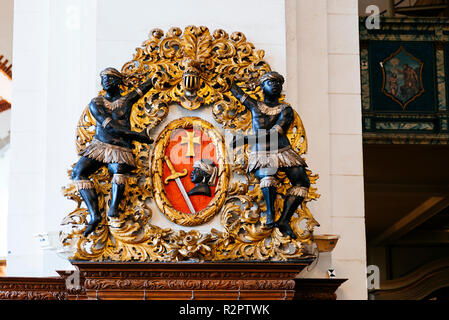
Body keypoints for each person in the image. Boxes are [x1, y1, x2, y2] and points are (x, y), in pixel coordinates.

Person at [71, 67, 154, 237]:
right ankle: (95, 214)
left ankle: (114, 209)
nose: (106, 81)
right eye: (103, 79)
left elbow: (143, 89)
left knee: (118, 169)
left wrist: (155, 78)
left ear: (118, 81)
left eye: (110, 78)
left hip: (120, 148)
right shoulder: (97, 103)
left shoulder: (126, 101)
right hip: (100, 146)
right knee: (78, 172)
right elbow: (111, 127)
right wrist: (138, 136)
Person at [229, 71, 310, 239]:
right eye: (271, 82)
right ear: (262, 87)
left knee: (302, 181)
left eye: (278, 83)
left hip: (283, 150)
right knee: (268, 176)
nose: (275, 85)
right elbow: (237, 93)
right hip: (262, 153)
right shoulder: (254, 105)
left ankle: (284, 219)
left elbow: (275, 134)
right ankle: (271, 213)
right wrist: (229, 80)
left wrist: (246, 139)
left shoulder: (285, 110)